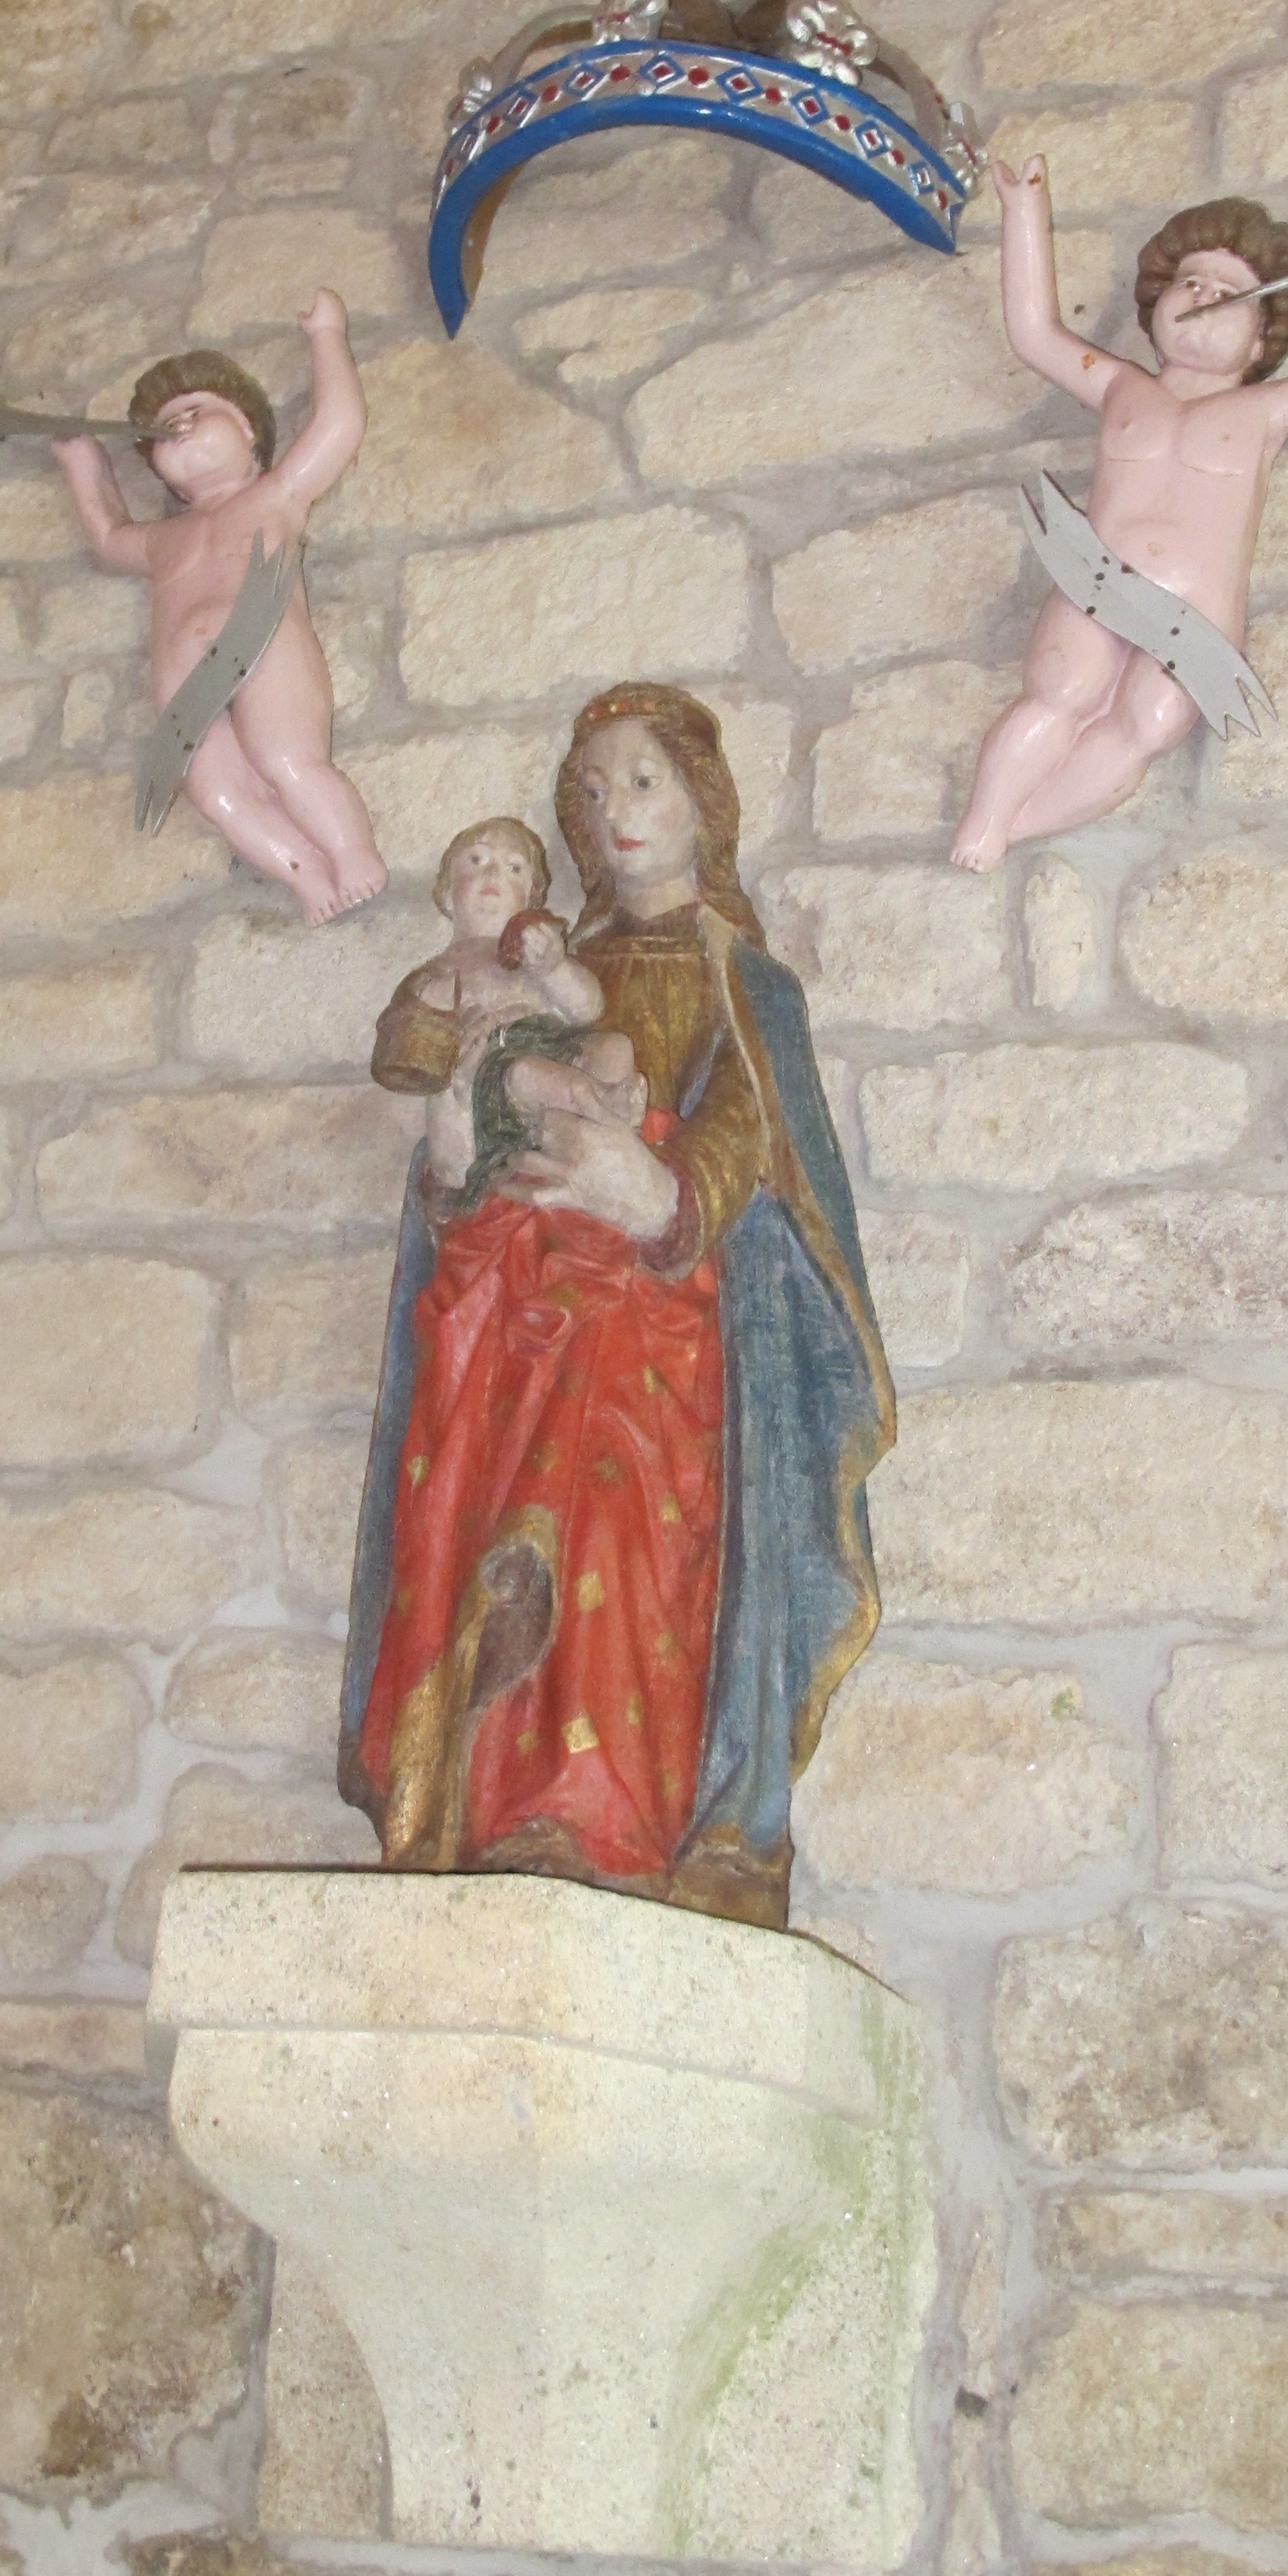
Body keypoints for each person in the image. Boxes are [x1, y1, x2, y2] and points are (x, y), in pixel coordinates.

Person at [341, 685, 894, 1932]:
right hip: (514, 1302)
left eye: (644, 782)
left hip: (657, 1327)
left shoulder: (744, 981)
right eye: (589, 793)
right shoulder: (542, 974)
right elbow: (462, 1128)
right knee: (492, 1500)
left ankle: (599, 1816)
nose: (615, 811)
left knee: (602, 1501)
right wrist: (455, 1176)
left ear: (704, 802)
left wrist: (658, 1193)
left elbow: (756, 1148)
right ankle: (479, 1804)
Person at [951, 155, 1288, 859]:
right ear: (1157, 304)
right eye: (1191, 282)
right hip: (1095, 580)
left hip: (1196, 617)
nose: (1205, 297)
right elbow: (1034, 333)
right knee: (1059, 690)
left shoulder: (1267, 411)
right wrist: (1024, 211)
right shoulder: (1121, 387)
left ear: (1261, 339)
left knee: (1150, 722)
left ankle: (1018, 825)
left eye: (1231, 295)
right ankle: (988, 818)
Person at [52, 293, 387, 923]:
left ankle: (351, 850)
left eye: (197, 411)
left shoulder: (275, 496)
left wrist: (327, 334)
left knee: (287, 760)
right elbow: (107, 536)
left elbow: (338, 426)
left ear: (250, 431)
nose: (179, 425)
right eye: (166, 425)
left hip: (264, 642)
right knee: (216, 793)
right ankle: (304, 871)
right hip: (182, 680)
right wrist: (82, 460)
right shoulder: (161, 540)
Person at [377, 816, 646, 1203]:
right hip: (498, 1070)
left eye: (514, 868)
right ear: (447, 894)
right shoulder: (436, 976)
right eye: (475, 860)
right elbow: (414, 1054)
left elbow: (589, 1009)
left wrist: (554, 967)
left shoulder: (535, 955)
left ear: (530, 900)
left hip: (560, 1045)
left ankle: (603, 1129)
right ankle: (608, 1113)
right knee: (527, 1073)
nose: (492, 874)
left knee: (615, 1047)